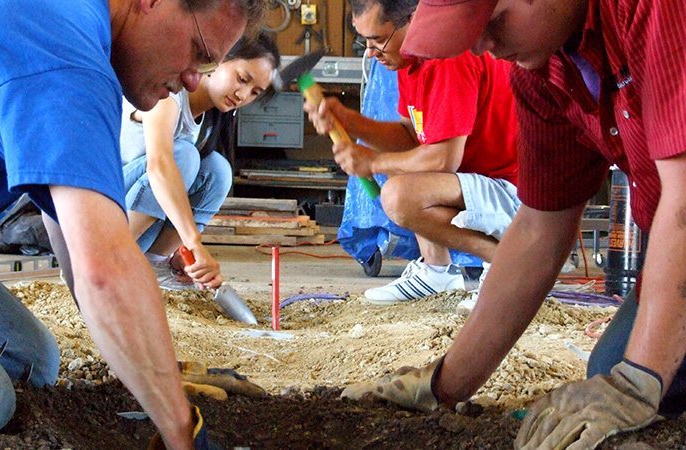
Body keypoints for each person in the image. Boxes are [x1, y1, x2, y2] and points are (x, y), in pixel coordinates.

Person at [0, 0, 263, 448]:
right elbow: (104, 271)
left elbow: (70, 232)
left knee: (31, 362)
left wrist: (150, 373)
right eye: (196, 51)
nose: (192, 80)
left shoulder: (76, 28)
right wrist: (182, 433)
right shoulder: (60, 50)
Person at [341, 0, 686, 449]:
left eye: (494, 20)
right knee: (611, 368)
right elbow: (541, 227)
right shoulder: (544, 65)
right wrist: (443, 387)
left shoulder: (655, 9)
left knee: (638, 380)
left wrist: (638, 383)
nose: (483, 44)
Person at [305, 0, 519, 308]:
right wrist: (348, 120)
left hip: (513, 193)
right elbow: (409, 138)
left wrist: (372, 161)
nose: (371, 51)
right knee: (402, 170)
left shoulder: (448, 56)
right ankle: (436, 273)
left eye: (379, 40)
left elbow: (444, 159)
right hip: (476, 184)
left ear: (414, 20)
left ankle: (508, 267)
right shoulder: (412, 60)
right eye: (365, 40)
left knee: (398, 194)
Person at [120, 33, 280, 290]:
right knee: (183, 155)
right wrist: (194, 243)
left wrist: (183, 254)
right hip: (104, 216)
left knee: (218, 170)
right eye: (242, 79)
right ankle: (115, 259)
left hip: (134, 214)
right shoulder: (169, 93)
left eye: (254, 92)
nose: (243, 95)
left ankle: (155, 264)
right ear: (218, 59)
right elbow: (159, 165)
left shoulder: (208, 121)